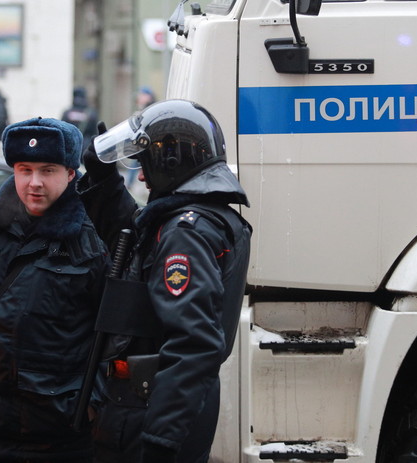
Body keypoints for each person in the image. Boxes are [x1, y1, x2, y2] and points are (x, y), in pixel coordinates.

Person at [78, 99, 253, 463]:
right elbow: (135, 242)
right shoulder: (205, 218)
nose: (141, 177)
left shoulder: (184, 233)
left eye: (145, 164)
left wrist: (160, 438)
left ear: (170, 162)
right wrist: (104, 183)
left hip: (151, 409)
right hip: (170, 406)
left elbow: (195, 343)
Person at [0, 117, 111, 462]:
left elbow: (112, 340)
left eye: (48, 171)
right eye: (24, 170)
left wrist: (88, 406)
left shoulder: (93, 244)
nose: (34, 183)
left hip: (57, 437)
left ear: (70, 174)